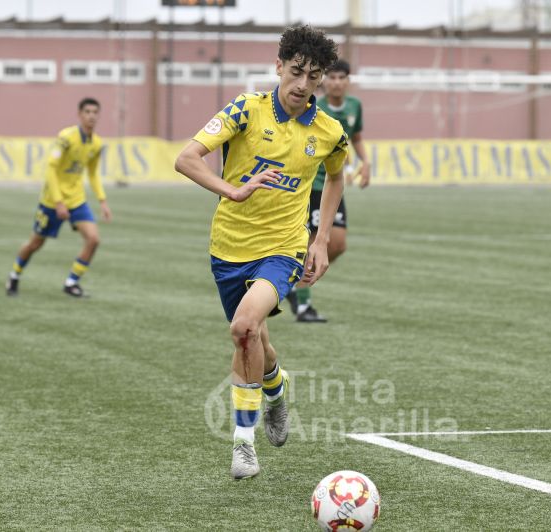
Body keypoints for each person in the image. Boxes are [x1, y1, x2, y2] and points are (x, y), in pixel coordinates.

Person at [174, 25, 347, 480]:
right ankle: (276, 387)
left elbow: (335, 177)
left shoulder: (330, 131)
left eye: (314, 77)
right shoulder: (245, 110)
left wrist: (320, 240)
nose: (303, 84)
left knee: (244, 326)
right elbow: (186, 158)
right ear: (279, 66)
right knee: (255, 342)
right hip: (228, 248)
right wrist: (232, 190)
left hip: (284, 248)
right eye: (296, 72)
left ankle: (243, 445)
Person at [286, 59, 370, 322]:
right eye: (331, 77)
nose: (336, 82)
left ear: (348, 81)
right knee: (315, 241)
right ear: (324, 81)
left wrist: (365, 162)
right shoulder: (314, 108)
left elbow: (355, 137)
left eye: (341, 77)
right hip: (313, 185)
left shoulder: (355, 106)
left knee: (338, 243)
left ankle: (294, 282)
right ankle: (303, 305)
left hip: (334, 185)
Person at [6, 97, 111, 298]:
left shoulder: (97, 143)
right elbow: (51, 170)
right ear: (79, 114)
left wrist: (102, 200)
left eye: (95, 112)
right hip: (52, 201)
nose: (91, 116)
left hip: (76, 200)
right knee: (35, 244)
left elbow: (93, 173)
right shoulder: (66, 138)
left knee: (93, 239)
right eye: (87, 112)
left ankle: (71, 283)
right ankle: (14, 275)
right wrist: (58, 202)